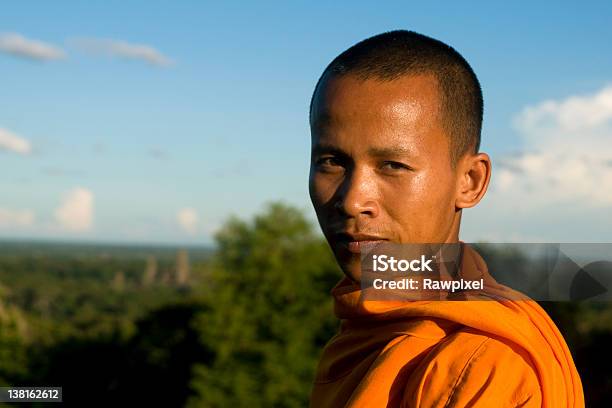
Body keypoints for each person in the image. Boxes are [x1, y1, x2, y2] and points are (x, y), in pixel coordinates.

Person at [307, 30, 584, 407]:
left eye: (393, 165)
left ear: (469, 181)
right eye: (332, 162)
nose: (353, 200)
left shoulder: (481, 365)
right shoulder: (364, 325)